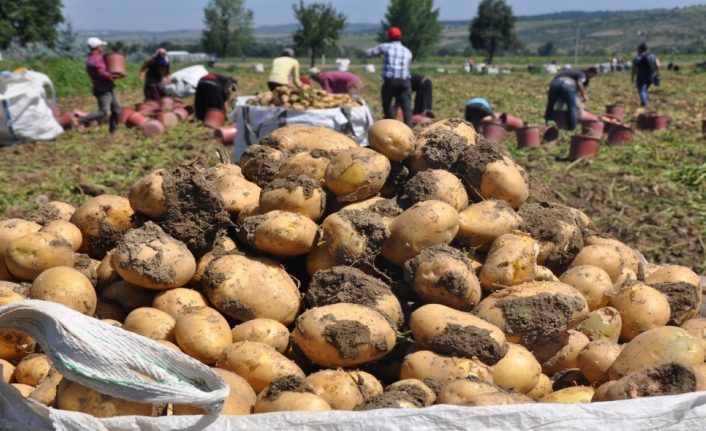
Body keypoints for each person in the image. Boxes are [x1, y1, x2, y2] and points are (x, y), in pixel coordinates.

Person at [364, 27, 413, 127]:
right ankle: (410, 129)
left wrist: (379, 55)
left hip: (390, 81)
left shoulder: (385, 47)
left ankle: (391, 127)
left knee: (387, 104)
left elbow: (368, 54)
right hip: (404, 81)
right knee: (406, 107)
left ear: (389, 36)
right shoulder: (407, 51)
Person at [74, 37, 123, 133]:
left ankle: (114, 131)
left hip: (108, 87)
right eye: (101, 45)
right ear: (97, 47)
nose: (102, 47)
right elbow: (102, 74)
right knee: (104, 111)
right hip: (102, 89)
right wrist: (116, 76)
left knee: (117, 109)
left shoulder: (98, 58)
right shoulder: (95, 60)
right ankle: (79, 120)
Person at [544, 67, 598, 131]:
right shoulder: (582, 75)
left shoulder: (570, 73)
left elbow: (564, 92)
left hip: (554, 84)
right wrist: (584, 95)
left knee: (550, 105)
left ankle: (549, 124)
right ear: (591, 73)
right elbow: (579, 83)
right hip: (567, 85)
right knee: (572, 107)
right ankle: (572, 128)